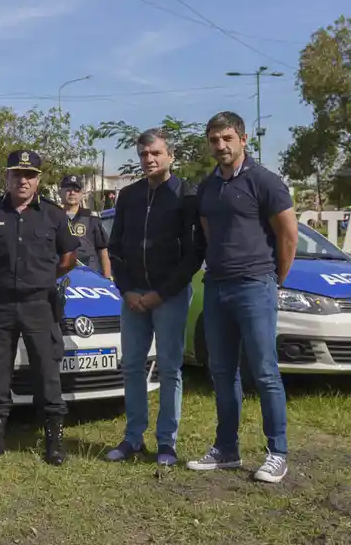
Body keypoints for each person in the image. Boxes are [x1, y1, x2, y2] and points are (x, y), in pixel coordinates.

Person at [185, 111, 298, 484]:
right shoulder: (208, 187)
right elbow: (207, 230)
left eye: (228, 139)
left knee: (265, 372)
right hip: (217, 286)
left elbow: (288, 235)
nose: (221, 146)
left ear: (243, 140)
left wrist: (273, 279)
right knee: (222, 372)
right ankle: (226, 449)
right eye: (215, 140)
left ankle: (277, 452)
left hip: (255, 286)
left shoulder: (265, 181)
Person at [0, 149, 76, 465]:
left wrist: (42, 278)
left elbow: (69, 258)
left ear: (38, 180)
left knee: (47, 373)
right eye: (17, 174)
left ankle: (54, 441)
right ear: (7, 178)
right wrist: (0, 280)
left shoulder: (53, 215)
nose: (23, 180)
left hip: (39, 306)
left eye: (29, 175)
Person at [104, 129, 205, 467]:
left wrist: (162, 293)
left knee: (170, 367)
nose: (149, 160)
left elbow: (193, 254)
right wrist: (127, 289)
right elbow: (115, 249)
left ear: (170, 156)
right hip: (132, 296)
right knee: (132, 366)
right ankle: (133, 438)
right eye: (144, 154)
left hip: (169, 296)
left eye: (156, 154)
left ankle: (167, 443)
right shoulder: (129, 196)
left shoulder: (186, 195)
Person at [60, 175, 112, 278]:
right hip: (62, 275)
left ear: (82, 194)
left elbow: (103, 250)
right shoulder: (53, 218)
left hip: (91, 276)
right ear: (60, 192)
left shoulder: (92, 218)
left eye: (76, 190)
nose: (72, 193)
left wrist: (108, 278)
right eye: (68, 189)